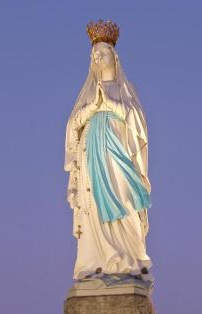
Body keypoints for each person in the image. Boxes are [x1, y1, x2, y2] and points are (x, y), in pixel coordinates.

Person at [64, 25, 151, 280]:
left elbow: (138, 124)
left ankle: (129, 259)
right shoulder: (88, 94)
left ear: (114, 56)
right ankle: (97, 262)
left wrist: (110, 104)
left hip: (118, 158)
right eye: (93, 55)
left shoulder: (125, 89)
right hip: (92, 159)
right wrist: (93, 108)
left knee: (125, 202)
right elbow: (72, 125)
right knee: (95, 215)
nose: (97, 58)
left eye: (102, 52)